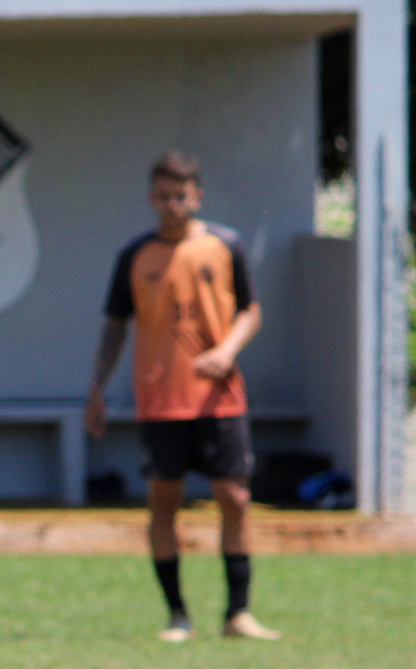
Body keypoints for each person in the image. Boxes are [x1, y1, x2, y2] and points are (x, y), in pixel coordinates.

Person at [85, 151, 279, 643]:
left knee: (234, 499)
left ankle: (238, 614)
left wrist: (227, 350)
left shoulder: (225, 245)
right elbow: (114, 325)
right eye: (164, 196)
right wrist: (97, 389)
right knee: (164, 500)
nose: (173, 204)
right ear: (152, 198)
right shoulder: (134, 255)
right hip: (160, 398)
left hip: (219, 398)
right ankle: (177, 616)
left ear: (197, 195)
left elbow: (250, 311)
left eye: (182, 195)